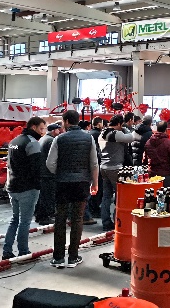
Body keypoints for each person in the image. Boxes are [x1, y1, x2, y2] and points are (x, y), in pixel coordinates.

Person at [46, 110, 99, 268]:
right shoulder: (88, 138)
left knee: (60, 219)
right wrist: (94, 183)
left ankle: (58, 258)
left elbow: (50, 163)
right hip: (82, 183)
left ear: (67, 121)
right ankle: (73, 257)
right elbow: (94, 163)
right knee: (77, 219)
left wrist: (60, 172)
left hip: (62, 183)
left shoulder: (59, 139)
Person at [2, 117, 45, 260]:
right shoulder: (32, 143)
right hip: (27, 188)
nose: (42, 132)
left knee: (15, 219)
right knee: (25, 221)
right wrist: (39, 185)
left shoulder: (14, 141)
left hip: (12, 186)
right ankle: (23, 252)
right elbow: (36, 169)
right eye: (41, 129)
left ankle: (7, 251)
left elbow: (10, 165)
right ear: (33, 127)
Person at [99, 115, 138, 231]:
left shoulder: (103, 133)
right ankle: (117, 221)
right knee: (119, 196)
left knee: (106, 196)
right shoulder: (116, 134)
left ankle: (105, 222)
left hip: (103, 167)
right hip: (115, 168)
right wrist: (125, 128)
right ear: (119, 124)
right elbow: (131, 138)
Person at [35, 123, 62, 225]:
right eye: (58, 130)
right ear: (54, 131)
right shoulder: (51, 141)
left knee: (42, 196)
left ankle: (39, 216)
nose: (59, 131)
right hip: (48, 173)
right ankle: (45, 217)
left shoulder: (43, 139)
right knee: (48, 196)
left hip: (42, 172)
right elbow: (55, 156)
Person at [143, 121, 170, 187]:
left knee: (152, 193)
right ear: (166, 130)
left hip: (152, 174)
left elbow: (144, 159)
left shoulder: (148, 142)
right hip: (166, 175)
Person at [88, 117, 105, 215]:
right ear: (99, 124)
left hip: (89, 164)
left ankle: (91, 207)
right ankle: (95, 208)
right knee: (98, 187)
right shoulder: (99, 135)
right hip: (97, 163)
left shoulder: (89, 133)